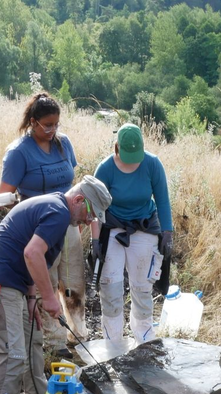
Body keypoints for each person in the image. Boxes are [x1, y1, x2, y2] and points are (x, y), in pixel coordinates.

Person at [0, 176, 112, 394]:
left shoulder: (56, 210)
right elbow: (32, 253)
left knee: (33, 337)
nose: (87, 222)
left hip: (16, 285)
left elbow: (36, 261)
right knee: (12, 352)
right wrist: (50, 297)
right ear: (79, 200)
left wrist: (33, 298)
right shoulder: (58, 212)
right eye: (90, 214)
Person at [0, 92, 84, 356]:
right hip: (40, 228)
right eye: (47, 125)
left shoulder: (63, 143)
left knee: (73, 282)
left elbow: (73, 177)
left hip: (68, 224)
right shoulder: (18, 152)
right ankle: (56, 343)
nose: (53, 130)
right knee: (47, 280)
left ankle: (78, 333)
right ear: (32, 122)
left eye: (56, 124)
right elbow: (5, 195)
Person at [93, 123, 173, 349]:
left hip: (144, 227)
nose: (133, 161)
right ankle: (113, 340)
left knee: (142, 285)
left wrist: (167, 232)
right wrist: (95, 240)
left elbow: (163, 200)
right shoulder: (106, 169)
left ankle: (144, 336)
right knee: (111, 286)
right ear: (117, 148)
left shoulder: (152, 164)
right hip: (113, 228)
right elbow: (96, 207)